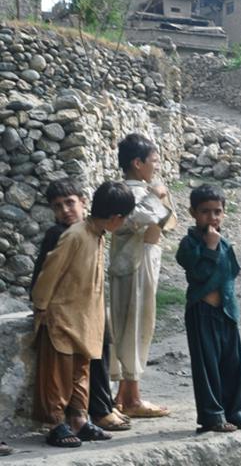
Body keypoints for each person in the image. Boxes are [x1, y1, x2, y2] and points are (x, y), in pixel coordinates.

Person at [32, 181, 135, 448]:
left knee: (81, 373)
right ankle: (56, 423)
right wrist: (41, 307)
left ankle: (78, 420)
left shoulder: (97, 235)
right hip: (63, 317)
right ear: (116, 218)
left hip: (85, 318)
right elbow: (49, 273)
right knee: (58, 374)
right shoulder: (75, 235)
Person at [176, 184, 241, 434]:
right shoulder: (189, 245)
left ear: (224, 213)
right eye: (205, 212)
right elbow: (198, 273)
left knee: (234, 364)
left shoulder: (225, 243)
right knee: (207, 367)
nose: (212, 217)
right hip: (202, 313)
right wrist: (209, 248)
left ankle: (236, 410)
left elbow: (232, 273)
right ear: (192, 212)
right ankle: (212, 416)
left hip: (227, 313)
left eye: (217, 212)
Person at [109, 134, 177, 418]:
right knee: (134, 325)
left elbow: (168, 223)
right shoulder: (130, 194)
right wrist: (156, 195)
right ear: (137, 163)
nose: (157, 166)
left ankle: (126, 394)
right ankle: (131, 398)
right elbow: (141, 221)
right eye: (153, 160)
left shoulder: (140, 191)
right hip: (134, 264)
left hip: (142, 260)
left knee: (136, 325)